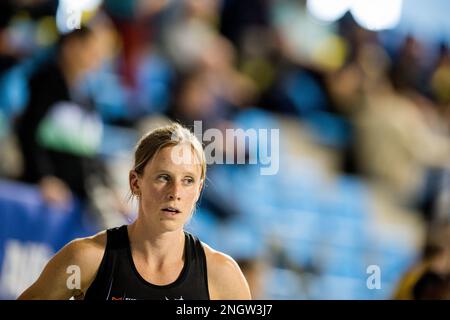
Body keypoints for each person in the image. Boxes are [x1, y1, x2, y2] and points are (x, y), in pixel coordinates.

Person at [17, 123, 252, 300]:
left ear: (199, 190)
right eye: (163, 177)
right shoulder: (87, 258)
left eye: (188, 181)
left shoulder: (221, 275)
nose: (175, 192)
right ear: (135, 182)